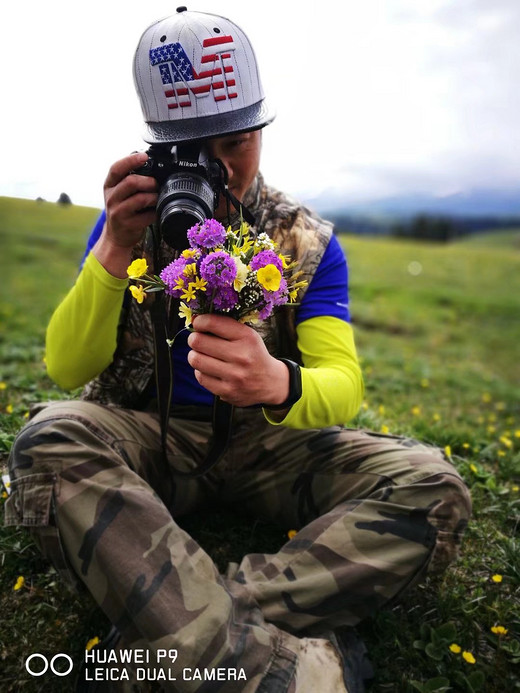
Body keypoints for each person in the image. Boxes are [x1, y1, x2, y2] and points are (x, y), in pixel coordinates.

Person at [5, 7, 471, 692]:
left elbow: (342, 380)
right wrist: (111, 248)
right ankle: (282, 667)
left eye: (234, 143)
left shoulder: (304, 239)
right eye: (191, 152)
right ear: (156, 148)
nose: (220, 171)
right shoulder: (128, 221)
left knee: (433, 488)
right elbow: (66, 367)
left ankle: (164, 632)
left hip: (264, 449)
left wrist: (279, 383)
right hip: (148, 439)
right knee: (48, 441)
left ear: (259, 128)